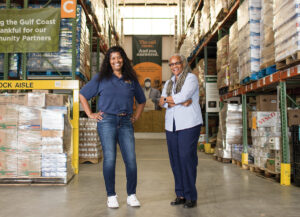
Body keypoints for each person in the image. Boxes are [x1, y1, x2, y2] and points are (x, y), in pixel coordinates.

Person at [79, 46, 146, 209]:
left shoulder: (131, 78)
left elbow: (141, 100)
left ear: (123, 59)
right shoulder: (101, 78)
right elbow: (82, 94)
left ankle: (131, 195)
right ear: (109, 61)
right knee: (109, 159)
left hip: (125, 123)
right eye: (113, 58)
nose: (116, 60)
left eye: (119, 57)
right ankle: (111, 196)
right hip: (107, 121)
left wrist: (136, 116)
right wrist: (90, 114)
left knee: (130, 160)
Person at [159, 54, 203, 208]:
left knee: (186, 159)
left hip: (189, 124)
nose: (174, 66)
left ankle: (191, 196)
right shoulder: (169, 82)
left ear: (183, 63)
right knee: (175, 160)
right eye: (171, 64)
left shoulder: (191, 78)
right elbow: (161, 101)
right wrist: (175, 100)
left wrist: (171, 99)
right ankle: (181, 194)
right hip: (171, 126)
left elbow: (183, 96)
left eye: (177, 63)